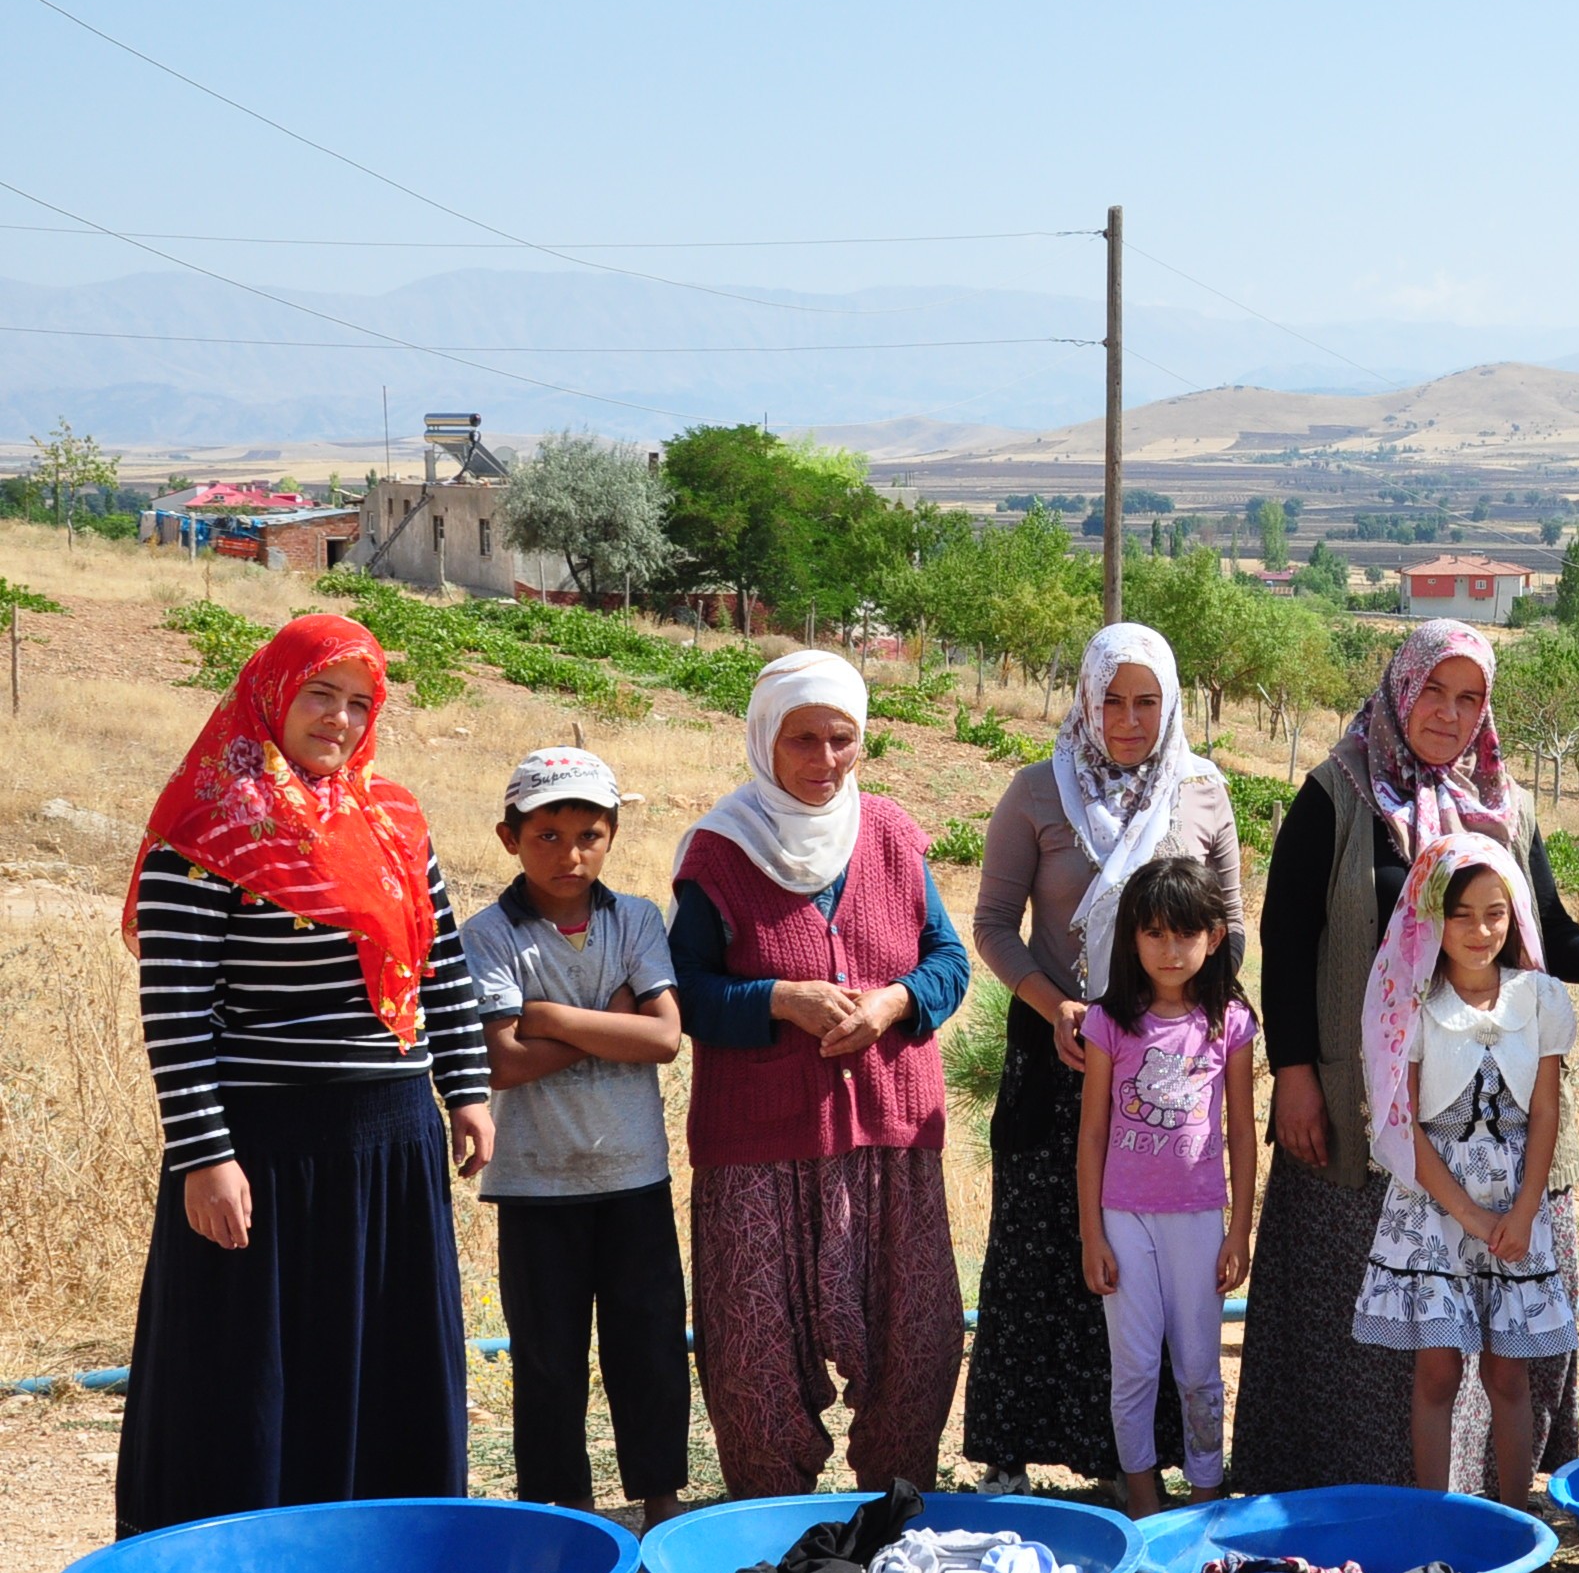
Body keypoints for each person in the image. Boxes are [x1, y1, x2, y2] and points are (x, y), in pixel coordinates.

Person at [116, 615, 492, 1537]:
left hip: (391, 1146)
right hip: (266, 1154)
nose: (340, 718)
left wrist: (469, 1088)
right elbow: (176, 1010)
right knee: (251, 1372)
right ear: (272, 695)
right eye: (320, 693)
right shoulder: (205, 827)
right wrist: (206, 1157)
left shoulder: (394, 822)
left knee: (390, 1359)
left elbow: (442, 965)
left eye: (360, 702)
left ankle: (382, 1565)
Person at [1237, 619, 1579, 1495]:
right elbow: (1286, 940)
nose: (1450, 713)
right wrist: (1293, 1072)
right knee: (1379, 1315)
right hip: (1359, 1104)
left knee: (1490, 1332)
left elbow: (1543, 930)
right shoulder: (1338, 794)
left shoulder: (1504, 805)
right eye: (1435, 692)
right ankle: (1342, 1491)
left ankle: (1490, 1505)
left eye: (1469, 696)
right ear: (1402, 689)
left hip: (1494, 1125)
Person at [672, 649, 973, 1498]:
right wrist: (776, 999)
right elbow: (684, 989)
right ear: (764, 739)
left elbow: (948, 959)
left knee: (918, 1342)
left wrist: (895, 1004)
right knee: (754, 1356)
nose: (825, 760)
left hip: (890, 1134)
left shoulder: (891, 834)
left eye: (842, 739)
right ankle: (767, 1531)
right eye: (802, 739)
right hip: (760, 1147)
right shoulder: (720, 852)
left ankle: (896, 1510)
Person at [965, 623, 1244, 1495]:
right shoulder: (1035, 793)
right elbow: (991, 926)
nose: (1128, 719)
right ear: (1084, 699)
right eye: (1111, 699)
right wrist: (1060, 1010)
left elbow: (1228, 922)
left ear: (1171, 705)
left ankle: (1145, 1469)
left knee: (1158, 1272)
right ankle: (1015, 1457)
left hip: (1169, 1058)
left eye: (1147, 701)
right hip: (1061, 1057)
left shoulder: (1202, 793)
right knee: (1050, 1246)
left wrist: (1200, 1022)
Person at [464, 747, 689, 1527]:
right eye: (547, 836)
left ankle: (661, 1502)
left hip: (634, 1175)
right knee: (548, 1360)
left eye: (589, 834)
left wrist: (552, 1017)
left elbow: (664, 1039)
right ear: (509, 838)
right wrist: (612, 1022)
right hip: (536, 1182)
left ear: (614, 835)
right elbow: (502, 1058)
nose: (570, 853)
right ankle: (565, 1514)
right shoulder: (489, 936)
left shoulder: (637, 919)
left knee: (651, 1350)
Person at [1352, 834, 1579, 1505]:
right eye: (1462, 915)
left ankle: (1513, 1522)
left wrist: (1520, 1211)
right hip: (1437, 1207)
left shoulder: (1538, 999)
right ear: (1432, 919)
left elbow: (1545, 1113)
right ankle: (1436, 1521)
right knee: (1437, 1373)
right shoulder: (1411, 1005)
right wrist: (1472, 1216)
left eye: (1496, 913)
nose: (1480, 931)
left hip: (1517, 1203)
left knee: (1509, 1376)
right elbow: (1408, 1130)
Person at [1078, 857, 1260, 1519]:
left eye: (1185, 933)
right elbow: (1092, 1136)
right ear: (1132, 938)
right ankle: (1148, 1506)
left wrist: (1239, 1229)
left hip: (1199, 1219)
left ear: (1213, 937)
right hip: (1123, 1218)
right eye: (1154, 933)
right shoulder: (1109, 1023)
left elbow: (1242, 1130)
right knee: (1133, 1368)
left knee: (1198, 1371)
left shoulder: (1230, 1022)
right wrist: (1092, 1232)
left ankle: (1208, 1496)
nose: (1170, 948)